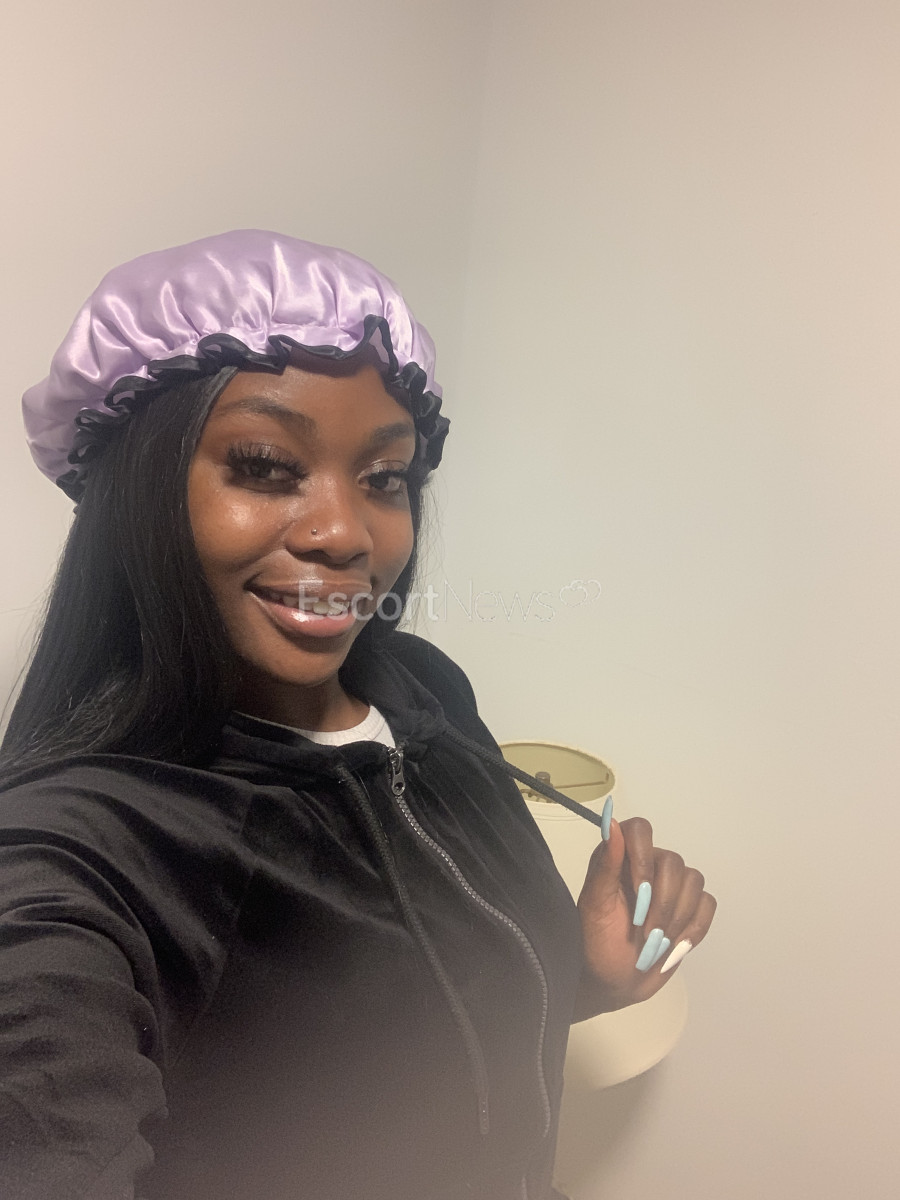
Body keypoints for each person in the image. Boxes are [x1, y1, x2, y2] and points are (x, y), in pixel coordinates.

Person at [0, 230, 715, 1200]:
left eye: (384, 479)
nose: (347, 533)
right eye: (265, 464)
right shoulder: (70, 858)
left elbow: (437, 1040)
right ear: (138, 494)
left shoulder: (424, 690)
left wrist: (584, 975)